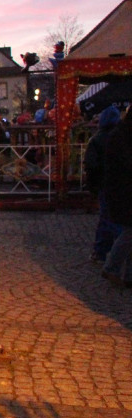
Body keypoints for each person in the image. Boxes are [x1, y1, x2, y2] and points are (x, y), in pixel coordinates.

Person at [86, 106, 123, 263]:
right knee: (111, 218)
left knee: (108, 219)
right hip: (119, 183)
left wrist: (92, 185)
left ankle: (108, 253)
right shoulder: (121, 137)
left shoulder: (97, 140)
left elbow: (91, 165)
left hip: (105, 183)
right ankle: (103, 251)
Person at [101, 109, 132, 287]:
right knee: (129, 232)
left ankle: (127, 274)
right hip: (123, 190)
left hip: (121, 189)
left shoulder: (120, 134)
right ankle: (112, 266)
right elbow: (125, 164)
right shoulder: (121, 136)